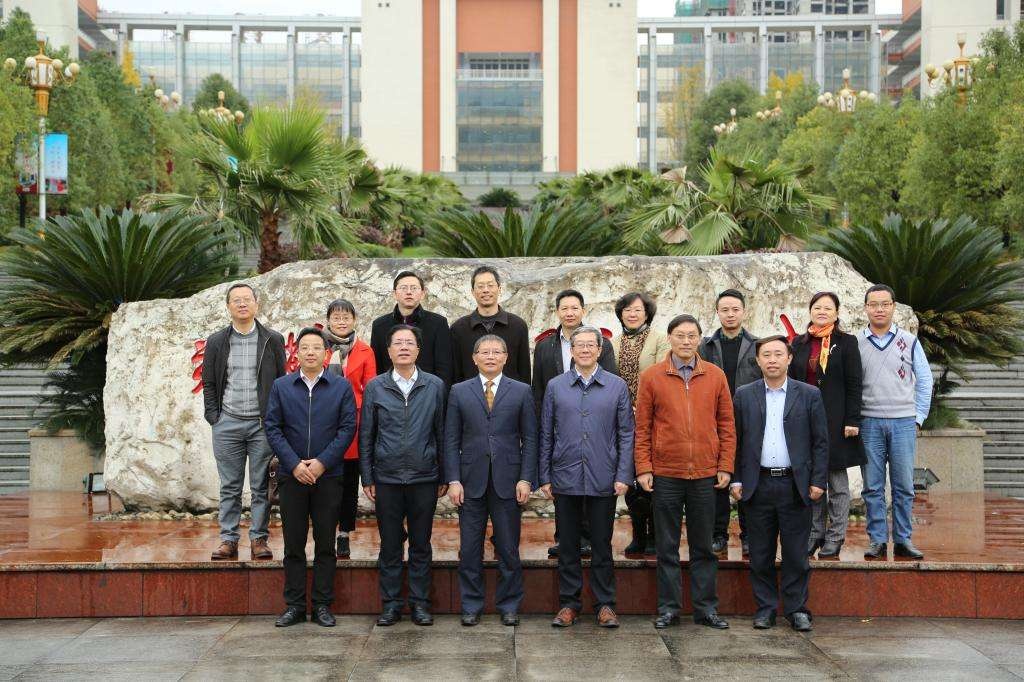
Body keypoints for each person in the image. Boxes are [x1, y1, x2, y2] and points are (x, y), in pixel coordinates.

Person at [634, 314, 735, 631]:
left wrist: (725, 466)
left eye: (692, 335)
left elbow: (727, 426)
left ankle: (706, 608)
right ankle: (668, 608)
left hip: (705, 474)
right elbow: (643, 428)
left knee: (703, 546)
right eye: (680, 335)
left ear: (699, 339)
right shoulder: (652, 377)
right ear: (670, 338)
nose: (686, 341)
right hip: (666, 473)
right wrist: (644, 467)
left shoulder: (716, 376)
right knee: (666, 546)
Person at [539, 326, 634, 629]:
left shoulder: (616, 386)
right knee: (567, 545)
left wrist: (623, 474)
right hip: (565, 474)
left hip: (603, 476)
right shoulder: (556, 386)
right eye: (578, 345)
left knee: (602, 545)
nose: (583, 350)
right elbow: (545, 433)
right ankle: (569, 604)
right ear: (572, 351)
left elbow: (626, 434)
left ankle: (605, 604)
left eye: (589, 345)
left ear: (599, 349)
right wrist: (544, 475)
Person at [731, 336, 828, 632]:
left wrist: (818, 481)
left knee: (797, 553)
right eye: (766, 355)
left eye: (778, 354)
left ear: (788, 359)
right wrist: (735, 478)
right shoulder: (744, 395)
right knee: (759, 553)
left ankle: (797, 609)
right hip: (757, 484)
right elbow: (735, 440)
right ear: (757, 361)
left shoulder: (808, 394)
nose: (772, 360)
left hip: (794, 484)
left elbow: (820, 442)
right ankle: (765, 608)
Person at [264, 327, 357, 628]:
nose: (311, 352)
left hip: (328, 476)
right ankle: (293, 605)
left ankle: (321, 605)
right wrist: (294, 465)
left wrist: (321, 463)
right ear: (297, 353)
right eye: (305, 347)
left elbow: (347, 429)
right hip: (292, 477)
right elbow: (273, 428)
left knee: (326, 543)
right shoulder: (282, 386)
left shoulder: (340, 387)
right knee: (293, 543)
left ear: (325, 353)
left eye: (317, 347)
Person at [444, 334, 538, 627]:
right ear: (474, 358)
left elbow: (531, 438)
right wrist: (453, 480)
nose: (490, 356)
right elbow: (450, 439)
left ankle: (509, 605)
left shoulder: (521, 391)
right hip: (469, 481)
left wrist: (526, 479)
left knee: (508, 547)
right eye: (484, 352)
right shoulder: (459, 391)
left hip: (508, 481)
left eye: (497, 352)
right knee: (470, 548)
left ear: (506, 358)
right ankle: (471, 605)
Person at [360, 324, 448, 626]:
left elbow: (442, 432)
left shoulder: (435, 385)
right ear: (388, 350)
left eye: (410, 343)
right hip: (387, 477)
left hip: (424, 476)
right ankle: (391, 604)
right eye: (397, 343)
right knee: (390, 544)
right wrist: (367, 476)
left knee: (421, 544)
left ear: (418, 350)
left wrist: (444, 475)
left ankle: (421, 603)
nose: (404, 348)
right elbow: (367, 435)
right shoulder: (376, 387)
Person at [201, 282, 286, 561]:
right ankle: (228, 539)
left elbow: (281, 383)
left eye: (246, 299)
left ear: (256, 304)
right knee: (230, 485)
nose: (241, 304)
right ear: (228, 307)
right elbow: (209, 383)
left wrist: (275, 420)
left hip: (261, 425)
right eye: (235, 300)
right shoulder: (217, 341)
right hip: (228, 423)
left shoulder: (272, 339)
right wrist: (215, 417)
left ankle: (259, 539)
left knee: (261, 485)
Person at [532, 289, 617, 557]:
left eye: (574, 308)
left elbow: (611, 382)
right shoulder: (545, 345)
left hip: (594, 421)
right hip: (559, 422)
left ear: (583, 310)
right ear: (557, 311)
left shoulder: (599, 342)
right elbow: (538, 388)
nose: (569, 313)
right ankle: (565, 538)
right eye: (564, 308)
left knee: (592, 480)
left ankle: (590, 537)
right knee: (564, 486)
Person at [859, 284, 933, 560]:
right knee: (872, 486)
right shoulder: (856, 343)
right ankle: (877, 540)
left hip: (903, 422)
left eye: (885, 304)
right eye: (873, 304)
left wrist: (919, 418)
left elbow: (925, 381)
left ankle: (903, 539)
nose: (879, 309)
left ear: (893, 307)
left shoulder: (909, 341)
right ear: (865, 307)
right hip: (869, 423)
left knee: (903, 485)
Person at [789, 292, 863, 559]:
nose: (822, 311)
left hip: (837, 421)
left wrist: (853, 420)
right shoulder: (799, 343)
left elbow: (855, 384)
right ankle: (815, 533)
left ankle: (836, 536)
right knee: (813, 480)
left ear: (836, 312)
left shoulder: (847, 342)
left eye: (827, 308)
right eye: (817, 307)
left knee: (837, 482)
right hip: (805, 421)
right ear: (810, 311)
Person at [698, 289, 759, 557]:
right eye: (725, 310)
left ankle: (749, 534)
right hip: (714, 420)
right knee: (718, 479)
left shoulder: (757, 345)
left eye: (735, 309)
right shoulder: (706, 346)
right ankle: (718, 534)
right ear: (717, 312)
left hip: (749, 419)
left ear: (744, 311)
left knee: (747, 477)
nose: (730, 314)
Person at [611, 292, 670, 556]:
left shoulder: (660, 340)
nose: (632, 314)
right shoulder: (612, 343)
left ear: (647, 313)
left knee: (654, 478)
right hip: (622, 419)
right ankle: (638, 533)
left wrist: (642, 405)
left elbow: (662, 375)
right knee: (631, 478)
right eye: (627, 310)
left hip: (654, 417)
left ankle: (656, 534)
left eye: (637, 310)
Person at [323, 298, 377, 558]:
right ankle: (325, 531)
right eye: (336, 317)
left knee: (348, 482)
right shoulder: (317, 347)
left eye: (346, 317)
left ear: (354, 320)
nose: (341, 321)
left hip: (354, 423)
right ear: (328, 320)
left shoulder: (365, 351)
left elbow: (372, 390)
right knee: (326, 482)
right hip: (323, 422)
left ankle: (344, 533)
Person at [370, 271, 453, 388]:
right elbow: (377, 367)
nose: (409, 292)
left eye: (414, 288)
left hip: (427, 393)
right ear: (394, 293)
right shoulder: (379, 325)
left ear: (423, 293)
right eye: (403, 288)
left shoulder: (438, 323)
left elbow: (444, 367)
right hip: (389, 393)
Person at [450, 265, 532, 384]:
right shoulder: (459, 328)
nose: (486, 290)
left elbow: (524, 370)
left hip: (510, 397)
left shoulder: (518, 325)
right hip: (470, 398)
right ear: (473, 292)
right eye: (480, 286)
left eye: (490, 285)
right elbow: (456, 372)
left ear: (499, 289)